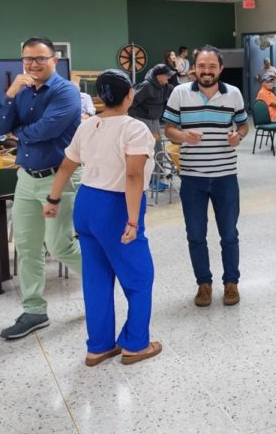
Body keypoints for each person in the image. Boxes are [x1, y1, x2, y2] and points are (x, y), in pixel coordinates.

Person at [42, 69, 162, 366]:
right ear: (130, 94)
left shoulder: (87, 126)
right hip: (117, 206)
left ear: (100, 97)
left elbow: (66, 167)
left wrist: (53, 199)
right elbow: (133, 176)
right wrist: (132, 221)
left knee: (96, 279)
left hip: (87, 204)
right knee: (139, 277)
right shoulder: (134, 129)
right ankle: (136, 344)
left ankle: (98, 347)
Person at [0, 36, 82, 340]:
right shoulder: (20, 92)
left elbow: (47, 130)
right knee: (27, 248)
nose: (33, 64)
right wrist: (10, 93)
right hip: (26, 179)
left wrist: (18, 132)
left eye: (40, 59)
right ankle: (34, 311)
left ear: (53, 61)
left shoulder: (66, 91)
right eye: (28, 59)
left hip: (58, 179)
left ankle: (103, 280)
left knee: (60, 246)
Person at [163, 44, 249, 308]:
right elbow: (168, 129)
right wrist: (182, 135)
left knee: (229, 234)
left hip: (225, 176)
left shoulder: (233, 94)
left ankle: (231, 283)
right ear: (194, 69)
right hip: (192, 177)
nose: (207, 71)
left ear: (220, 69)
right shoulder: (179, 93)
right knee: (196, 234)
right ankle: (204, 283)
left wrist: (239, 135)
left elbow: (243, 124)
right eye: (202, 66)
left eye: (212, 66)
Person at [129, 63, 175, 136]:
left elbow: (175, 92)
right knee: (146, 144)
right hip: (143, 120)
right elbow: (131, 102)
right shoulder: (146, 86)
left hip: (155, 120)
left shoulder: (166, 86)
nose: (169, 77)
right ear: (159, 77)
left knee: (156, 143)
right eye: (167, 75)